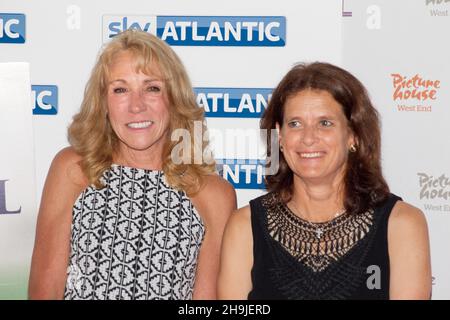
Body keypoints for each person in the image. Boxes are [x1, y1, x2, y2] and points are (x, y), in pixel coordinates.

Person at [28, 29, 236, 300]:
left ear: (173, 99)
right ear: (103, 103)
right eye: (121, 89)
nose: (136, 106)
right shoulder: (73, 170)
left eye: (152, 88)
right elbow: (45, 291)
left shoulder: (213, 195)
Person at [218, 62, 431, 300]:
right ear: (279, 136)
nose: (308, 138)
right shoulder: (244, 226)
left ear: (353, 135)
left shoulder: (401, 224)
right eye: (295, 124)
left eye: (325, 123)